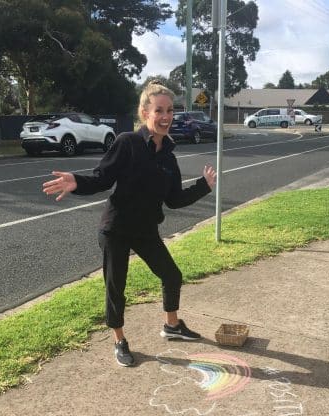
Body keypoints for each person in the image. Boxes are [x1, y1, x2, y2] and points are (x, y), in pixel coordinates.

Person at [43, 80, 216, 367]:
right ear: (145, 112)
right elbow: (102, 178)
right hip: (117, 229)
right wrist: (76, 182)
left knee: (171, 275)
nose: (165, 117)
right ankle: (119, 340)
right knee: (116, 287)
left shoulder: (169, 158)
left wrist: (203, 187)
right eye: (159, 110)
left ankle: (171, 326)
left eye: (170, 111)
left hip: (146, 230)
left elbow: (173, 200)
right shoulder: (128, 143)